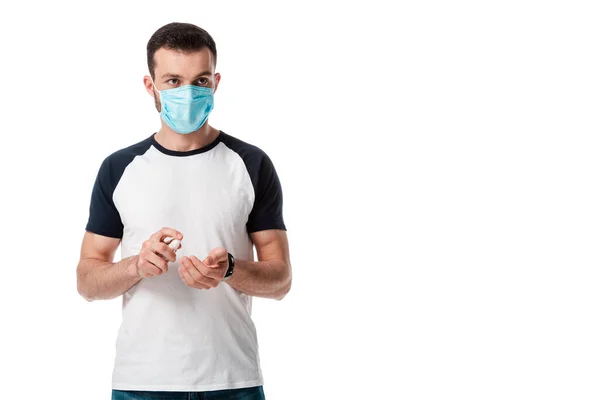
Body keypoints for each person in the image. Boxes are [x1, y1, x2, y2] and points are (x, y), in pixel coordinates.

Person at [76, 22, 292, 400]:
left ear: (216, 82)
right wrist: (135, 266)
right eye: (173, 81)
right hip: (142, 382)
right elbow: (87, 280)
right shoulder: (120, 168)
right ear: (151, 86)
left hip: (232, 379)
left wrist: (229, 270)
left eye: (200, 81)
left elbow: (281, 279)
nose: (188, 93)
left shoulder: (250, 164)